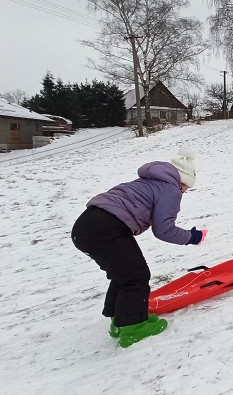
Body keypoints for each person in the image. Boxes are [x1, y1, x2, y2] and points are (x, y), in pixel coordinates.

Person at [71, 148, 207, 348]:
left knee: (124, 274)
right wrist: (192, 237)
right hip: (108, 227)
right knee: (137, 276)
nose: (185, 192)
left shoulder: (149, 181)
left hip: (86, 225)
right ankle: (133, 328)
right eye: (187, 187)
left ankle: (120, 322)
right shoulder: (171, 190)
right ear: (183, 181)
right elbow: (164, 230)